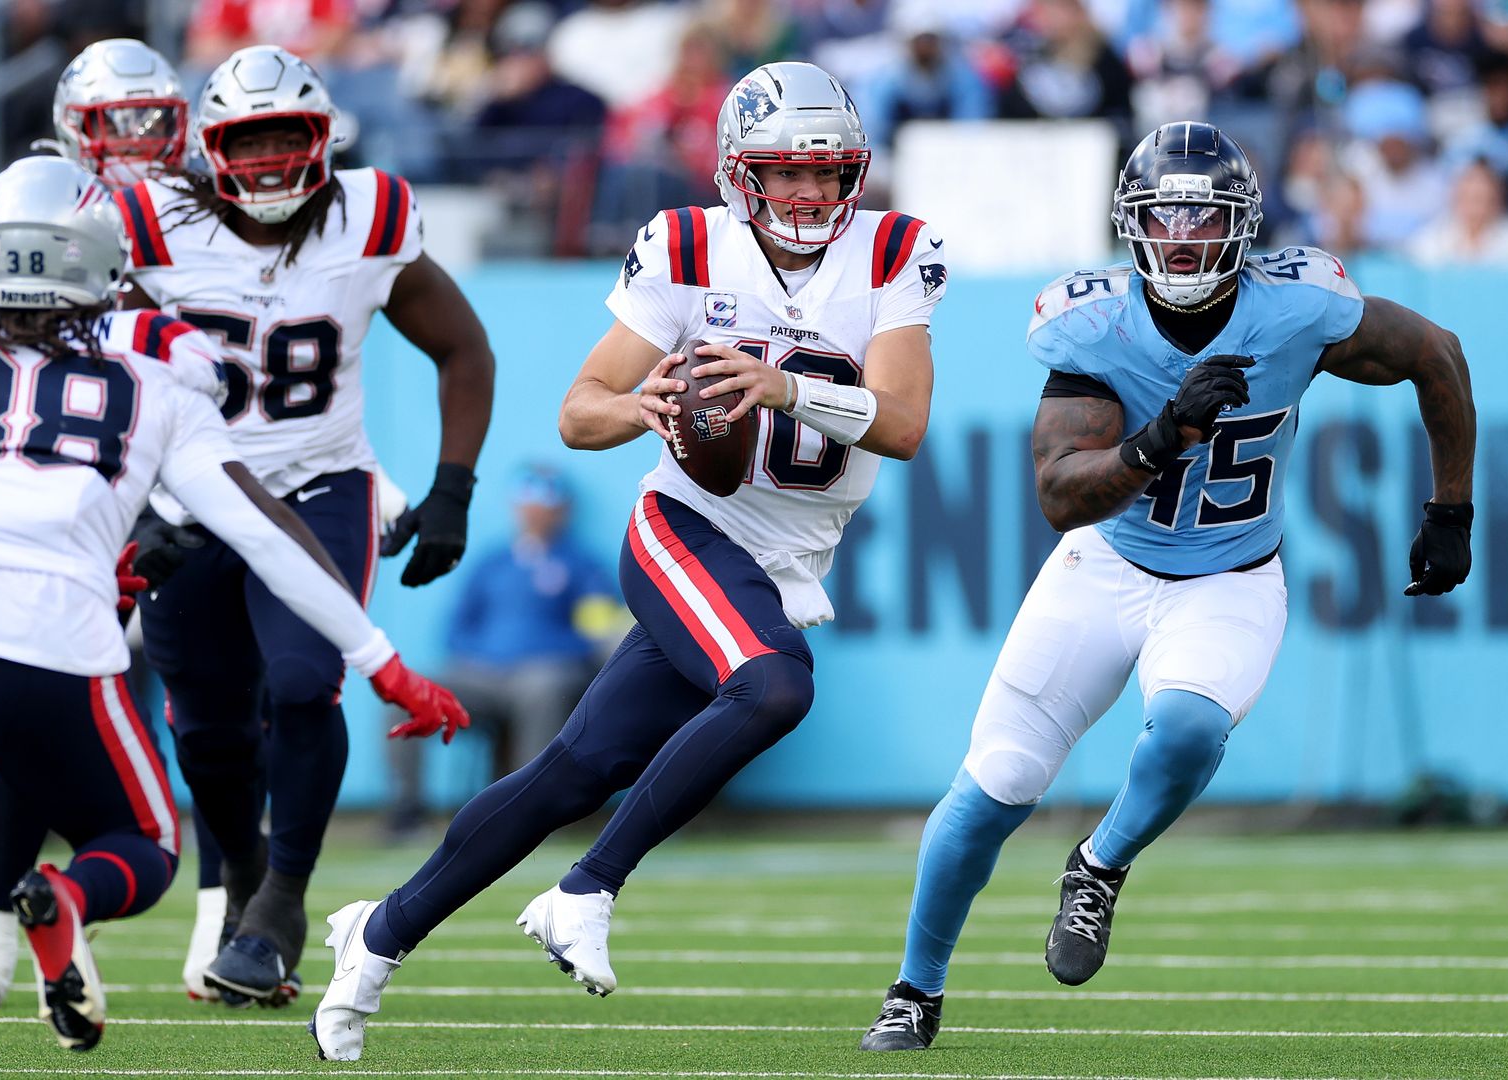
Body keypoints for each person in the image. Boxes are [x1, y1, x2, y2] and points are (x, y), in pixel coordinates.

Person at [309, 61, 948, 1061]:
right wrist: (640, 407)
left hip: (781, 560)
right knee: (775, 687)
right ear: (741, 173)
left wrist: (780, 390)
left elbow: (903, 425)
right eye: (787, 171)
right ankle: (588, 887)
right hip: (685, 528)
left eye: (828, 172)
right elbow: (579, 411)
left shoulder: (893, 251)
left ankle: (377, 933)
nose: (811, 192)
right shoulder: (691, 246)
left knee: (575, 769)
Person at [857, 121, 1476, 1052]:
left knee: (1189, 725)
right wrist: (1160, 435)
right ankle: (914, 991)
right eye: (1164, 218)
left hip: (1230, 574)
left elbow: (1440, 355)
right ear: (1131, 225)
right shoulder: (1093, 323)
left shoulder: (1298, 307)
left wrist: (1452, 510)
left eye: (1203, 218)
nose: (1183, 238)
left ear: (1243, 227)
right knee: (997, 781)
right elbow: (1061, 496)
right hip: (1105, 566)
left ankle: (1099, 867)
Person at [0, 155, 465, 1051]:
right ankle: (69, 897)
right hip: (52, 647)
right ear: (103, 257)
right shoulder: (159, 368)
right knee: (146, 843)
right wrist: (382, 663)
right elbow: (262, 532)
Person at [118, 45, 496, 1006]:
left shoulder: (370, 215)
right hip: (188, 502)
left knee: (299, 680)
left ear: (325, 136)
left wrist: (451, 485)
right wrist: (127, 502)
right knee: (206, 727)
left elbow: (462, 347)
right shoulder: (150, 225)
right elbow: (108, 379)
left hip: (321, 484)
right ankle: (244, 879)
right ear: (210, 148)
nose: (275, 159)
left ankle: (281, 901)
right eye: (251, 139)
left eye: (291, 135)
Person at [0, 36, 239, 1012]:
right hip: (67, 491)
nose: (139, 141)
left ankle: (225, 933)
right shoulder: (37, 202)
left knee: (220, 714)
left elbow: (236, 358)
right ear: (73, 126)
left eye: (154, 120)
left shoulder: (212, 205)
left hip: (183, 477)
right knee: (39, 712)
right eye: (118, 122)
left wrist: (187, 511)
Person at [385, 466, 615, 834]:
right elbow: (457, 629)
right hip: (482, 676)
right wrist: (484, 658)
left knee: (541, 689)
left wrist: (549, 652)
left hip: (543, 674)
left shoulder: (582, 566)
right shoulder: (491, 563)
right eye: (528, 500)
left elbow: (598, 635)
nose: (536, 510)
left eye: (546, 502)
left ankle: (529, 814)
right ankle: (407, 811)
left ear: (563, 508)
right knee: (407, 691)